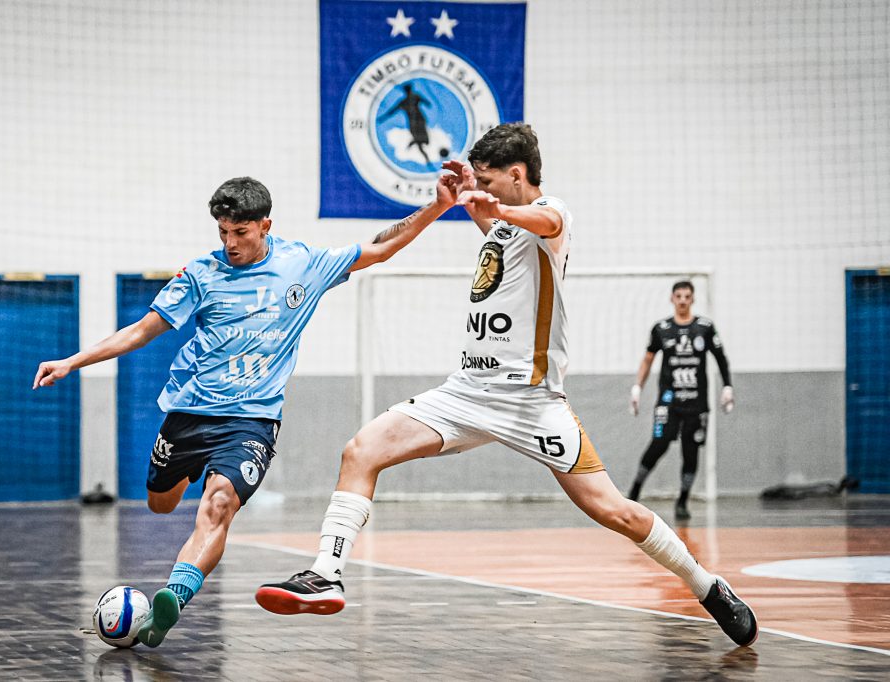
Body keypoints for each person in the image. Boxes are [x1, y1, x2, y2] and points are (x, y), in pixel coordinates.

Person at [256, 124, 759, 648]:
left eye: (493, 181)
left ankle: (707, 586)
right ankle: (325, 575)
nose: (487, 191)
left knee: (616, 512)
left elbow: (541, 218)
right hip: (467, 392)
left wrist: (495, 207)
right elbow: (494, 225)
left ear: (517, 176)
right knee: (361, 450)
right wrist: (459, 198)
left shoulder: (552, 216)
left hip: (531, 402)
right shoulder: (500, 225)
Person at [33, 175, 462, 648]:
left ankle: (173, 598)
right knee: (161, 502)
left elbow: (380, 247)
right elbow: (140, 331)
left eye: (240, 233)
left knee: (218, 506)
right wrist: (72, 361)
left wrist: (436, 208)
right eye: (223, 233)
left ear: (265, 225)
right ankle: (178, 491)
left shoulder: (303, 264)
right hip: (189, 413)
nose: (230, 243)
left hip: (251, 421)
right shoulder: (201, 274)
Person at [627, 281, 733, 521]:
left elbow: (721, 358)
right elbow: (648, 359)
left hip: (696, 403)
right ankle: (634, 492)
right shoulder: (661, 329)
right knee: (659, 443)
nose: (683, 300)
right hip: (669, 400)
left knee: (691, 451)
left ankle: (683, 500)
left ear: (692, 299)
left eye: (687, 296)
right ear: (672, 299)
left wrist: (727, 386)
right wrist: (637, 387)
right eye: (679, 296)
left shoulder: (705, 328)